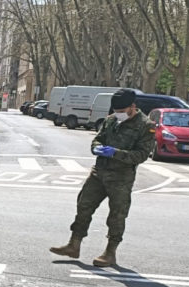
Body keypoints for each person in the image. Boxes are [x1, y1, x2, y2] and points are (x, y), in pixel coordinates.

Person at [50, 88, 155, 267]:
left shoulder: (146, 126)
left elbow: (141, 155)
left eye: (122, 111)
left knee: (117, 215)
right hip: (99, 172)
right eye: (116, 111)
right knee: (84, 206)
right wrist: (97, 147)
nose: (118, 114)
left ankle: (110, 252)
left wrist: (115, 153)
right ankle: (74, 244)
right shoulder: (111, 120)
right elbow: (98, 139)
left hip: (121, 177)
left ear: (132, 107)